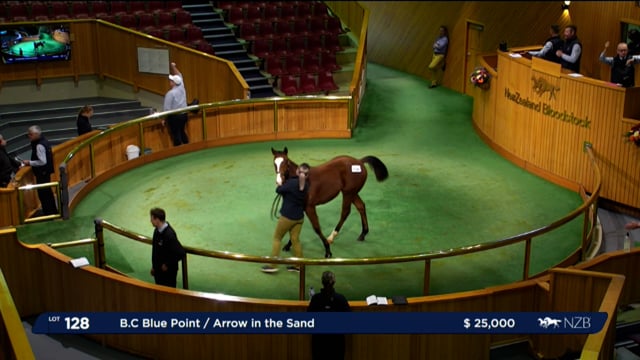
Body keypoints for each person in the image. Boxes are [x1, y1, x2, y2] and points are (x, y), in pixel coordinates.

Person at [261, 163, 310, 273]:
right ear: (307, 175)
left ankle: (272, 265)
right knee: (295, 240)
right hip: (299, 217)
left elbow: (279, 190)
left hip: (287, 217)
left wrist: (279, 184)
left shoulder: (292, 183)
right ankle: (299, 265)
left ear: (297, 171)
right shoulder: (306, 185)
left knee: (277, 238)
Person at [307, 271, 351, 360]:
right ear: (334, 282)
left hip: (319, 342)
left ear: (322, 282)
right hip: (337, 343)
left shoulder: (316, 299)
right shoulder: (341, 299)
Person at [22, 125, 57, 215]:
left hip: (42, 173)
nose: (29, 137)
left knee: (44, 194)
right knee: (47, 193)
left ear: (35, 134)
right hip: (45, 172)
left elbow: (42, 161)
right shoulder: (44, 141)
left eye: (30, 135)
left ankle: (49, 213)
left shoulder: (39, 145)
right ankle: (52, 211)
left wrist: (29, 162)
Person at [150, 207, 186, 288]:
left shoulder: (169, 235)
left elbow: (181, 253)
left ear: (157, 220)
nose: (150, 221)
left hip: (168, 274)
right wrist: (154, 267)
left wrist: (167, 264)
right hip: (158, 272)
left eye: (152, 219)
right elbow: (155, 251)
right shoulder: (156, 231)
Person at [163, 62, 189, 146]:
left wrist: (163, 119)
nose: (170, 81)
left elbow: (167, 109)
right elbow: (179, 74)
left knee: (176, 134)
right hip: (184, 115)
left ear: (174, 83)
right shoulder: (182, 87)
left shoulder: (170, 94)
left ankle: (179, 150)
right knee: (182, 131)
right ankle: (187, 146)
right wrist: (173, 66)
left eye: (171, 80)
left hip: (175, 117)